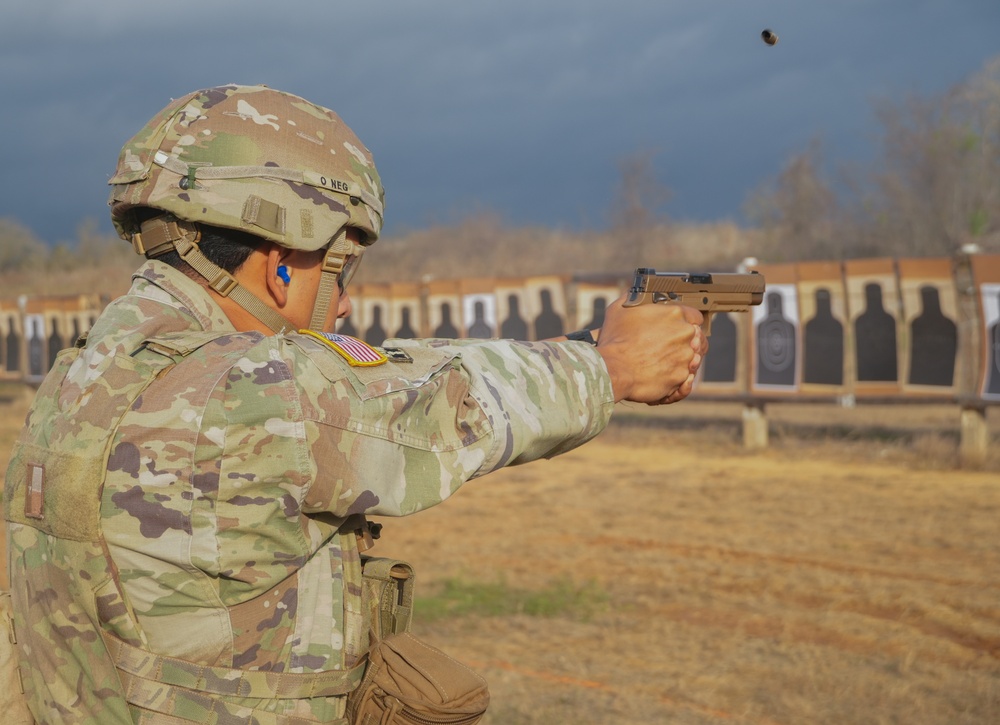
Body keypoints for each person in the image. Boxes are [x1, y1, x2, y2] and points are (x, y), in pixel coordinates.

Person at [3, 84, 706, 724]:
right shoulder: (250, 396)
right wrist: (609, 365)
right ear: (280, 265)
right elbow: (440, 397)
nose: (344, 301)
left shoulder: (78, 381)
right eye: (341, 268)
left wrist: (586, 346)